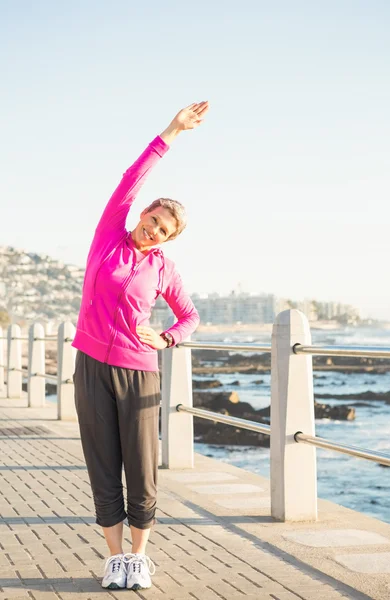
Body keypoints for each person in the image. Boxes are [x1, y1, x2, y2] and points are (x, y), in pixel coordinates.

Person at [72, 101, 209, 591]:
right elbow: (133, 176)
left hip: (139, 372)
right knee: (103, 462)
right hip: (90, 367)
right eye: (153, 220)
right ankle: (114, 559)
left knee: (142, 468)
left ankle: (138, 558)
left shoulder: (163, 269)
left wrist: (168, 336)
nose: (153, 231)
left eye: (164, 231)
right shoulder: (109, 234)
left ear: (168, 239)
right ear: (144, 213)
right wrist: (173, 131)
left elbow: (190, 316)